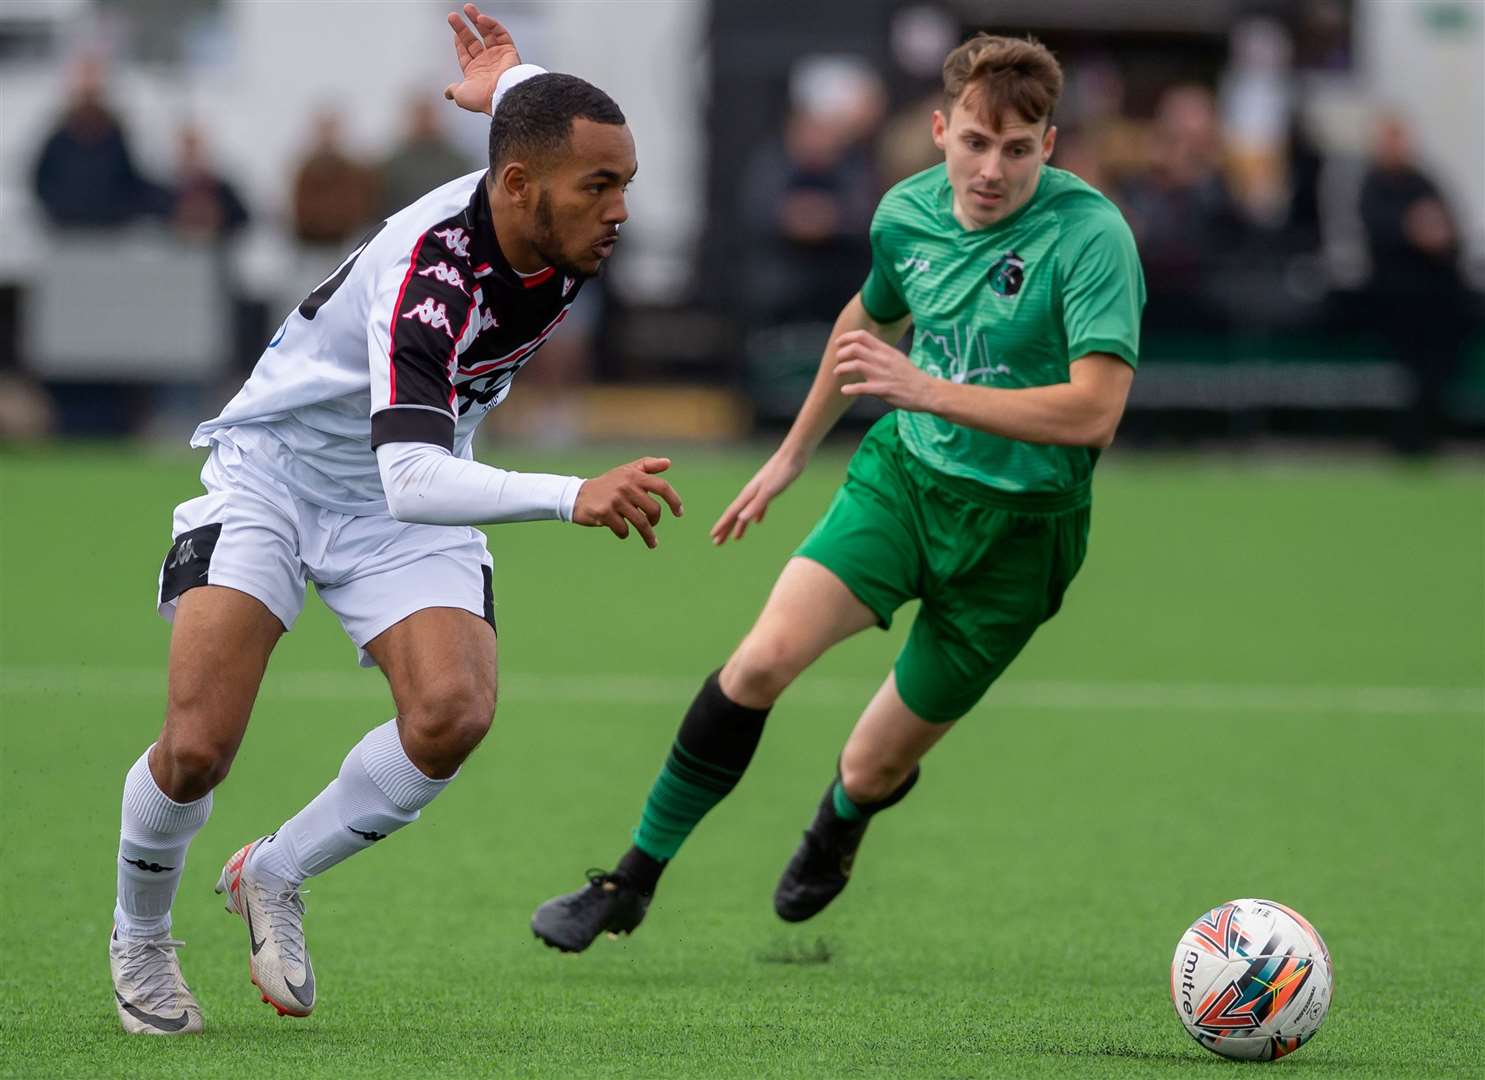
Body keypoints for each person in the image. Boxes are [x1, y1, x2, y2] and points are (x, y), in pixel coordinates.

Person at [109, 4, 681, 1035]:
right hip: (278, 477)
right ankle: (140, 938)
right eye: (604, 188)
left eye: (626, 184)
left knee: (452, 713)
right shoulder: (432, 275)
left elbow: (537, 125)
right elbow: (413, 476)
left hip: (401, 487)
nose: (620, 209)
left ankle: (272, 873)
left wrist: (511, 75)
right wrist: (570, 494)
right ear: (519, 191)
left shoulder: (536, 188)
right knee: (197, 748)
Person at [532, 32, 1145, 952]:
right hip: (902, 485)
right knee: (759, 662)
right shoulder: (905, 214)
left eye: (1017, 150)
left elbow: (1095, 412)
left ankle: (842, 818)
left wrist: (928, 389)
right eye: (975, 142)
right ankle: (630, 880)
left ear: (1048, 147)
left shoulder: (1092, 238)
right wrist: (790, 457)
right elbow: (867, 321)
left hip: (1021, 537)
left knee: (874, 759)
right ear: (940, 130)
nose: (991, 169)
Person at [32, 54, 166, 229]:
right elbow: (40, 182)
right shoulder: (60, 137)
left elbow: (131, 180)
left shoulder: (115, 135)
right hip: (66, 228)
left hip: (110, 228)